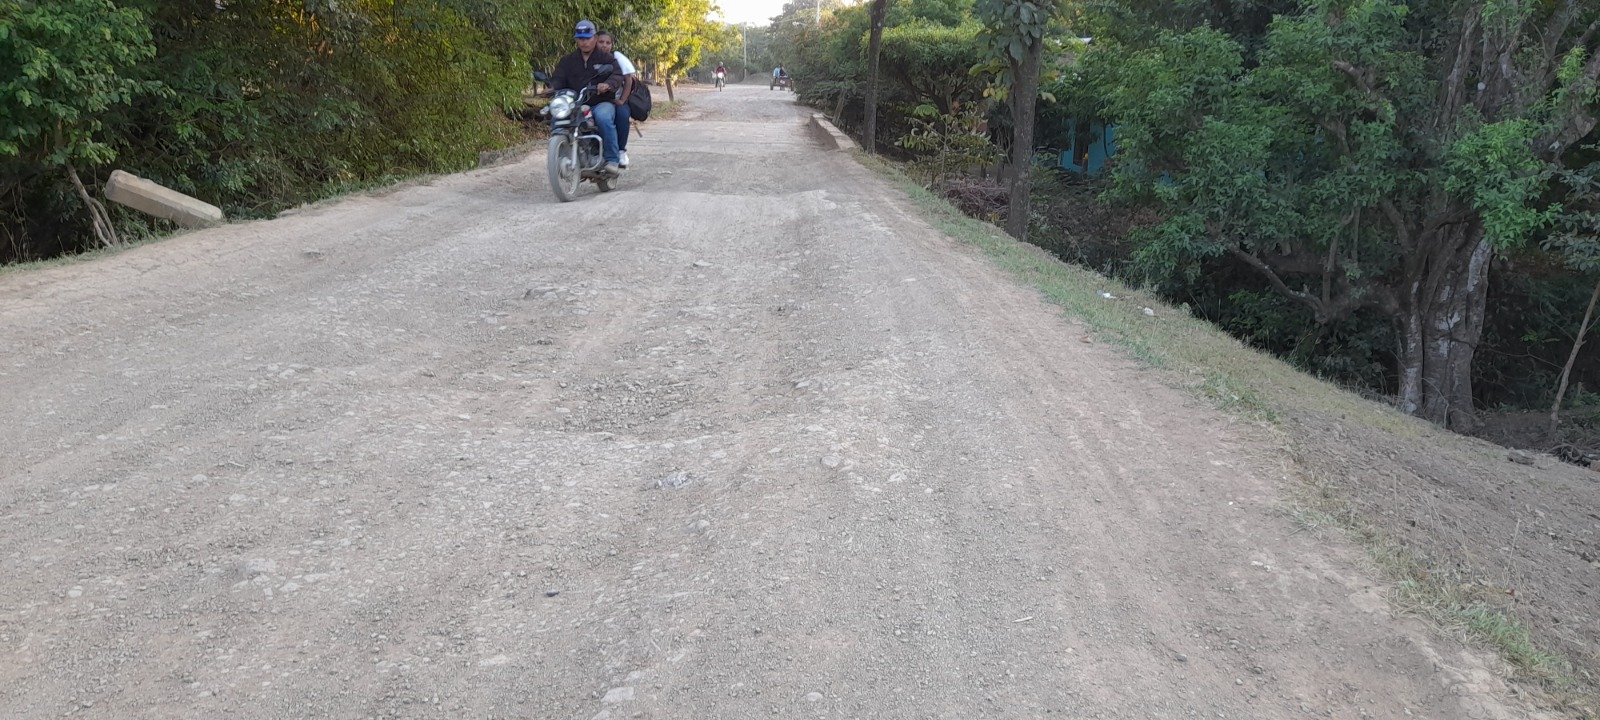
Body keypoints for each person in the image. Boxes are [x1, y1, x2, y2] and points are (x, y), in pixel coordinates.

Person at [551, 19, 624, 173]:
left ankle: (612, 159)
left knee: (603, 118)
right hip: (574, 103)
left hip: (600, 102)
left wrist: (608, 84)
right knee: (557, 118)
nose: (584, 42)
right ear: (576, 40)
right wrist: (551, 87)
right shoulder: (568, 61)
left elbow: (617, 75)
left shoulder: (606, 59)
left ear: (595, 38)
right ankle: (560, 153)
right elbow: (558, 78)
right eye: (580, 39)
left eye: (587, 38)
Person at [595, 31, 634, 169]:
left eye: (608, 43)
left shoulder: (616, 58)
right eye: (601, 42)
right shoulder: (588, 58)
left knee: (622, 115)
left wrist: (622, 100)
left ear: (612, 45)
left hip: (615, 100)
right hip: (594, 99)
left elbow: (628, 80)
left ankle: (621, 151)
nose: (604, 45)